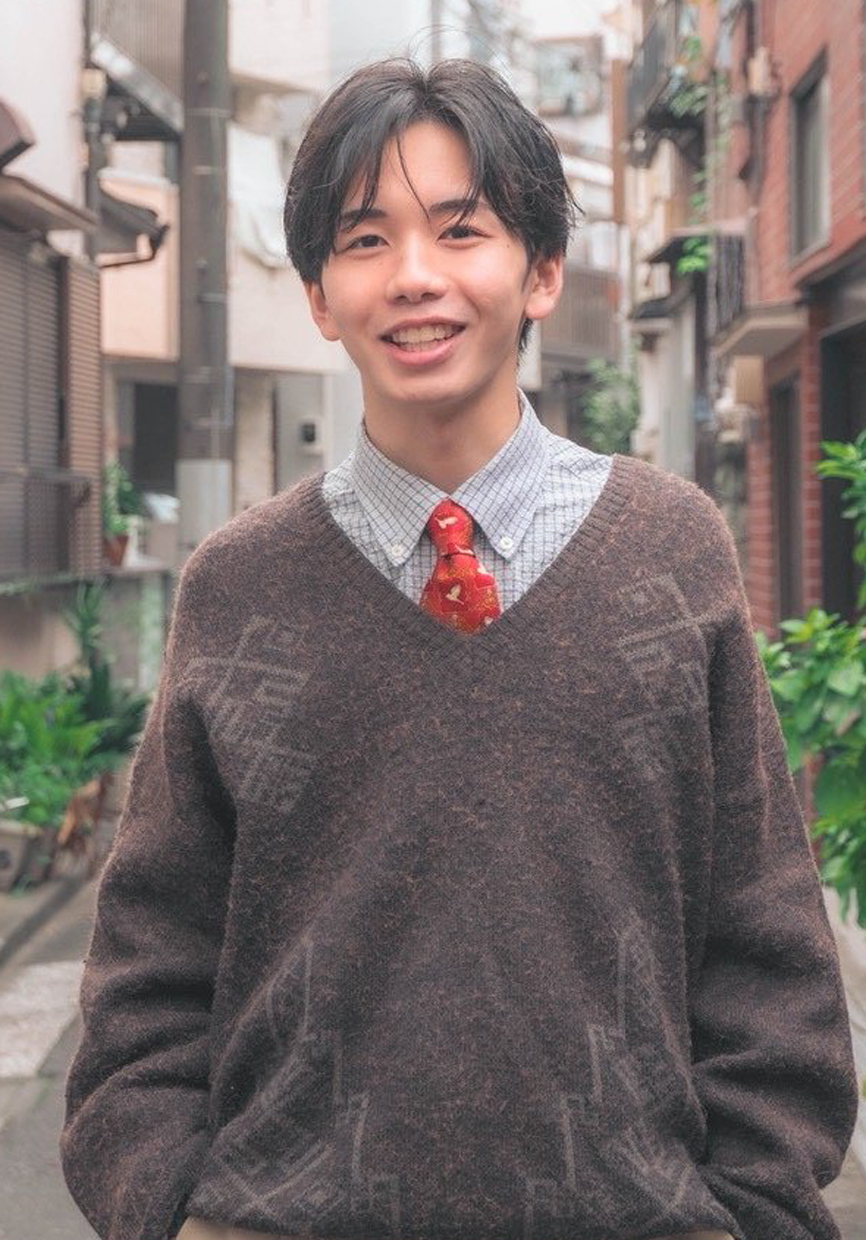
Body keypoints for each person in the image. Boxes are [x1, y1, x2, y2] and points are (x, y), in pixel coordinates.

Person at [60, 58, 858, 1240]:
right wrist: (172, 1211)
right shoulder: (237, 587)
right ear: (320, 295)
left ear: (540, 271)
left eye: (460, 229)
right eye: (364, 239)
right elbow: (146, 982)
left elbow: (765, 949)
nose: (414, 276)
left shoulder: (669, 549)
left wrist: (746, 1212)